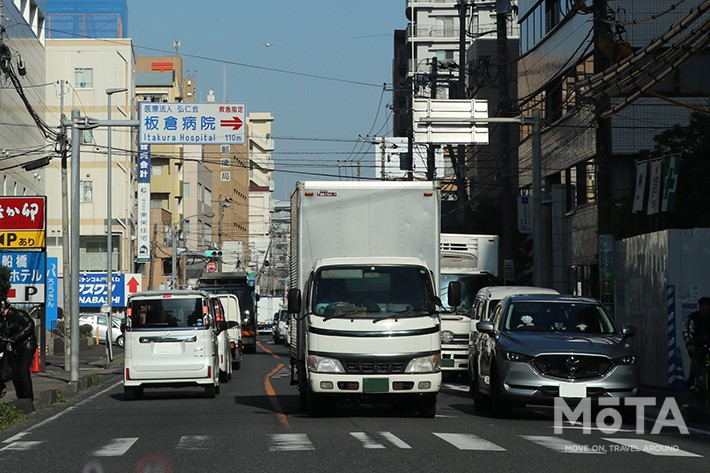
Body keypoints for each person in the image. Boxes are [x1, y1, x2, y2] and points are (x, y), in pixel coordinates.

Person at [0, 297, 38, 401]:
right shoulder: (3, 319)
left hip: (27, 345)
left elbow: (30, 325)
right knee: (15, 373)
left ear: (4, 307)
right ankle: (20, 398)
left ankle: (29, 397)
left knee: (24, 369)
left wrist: (15, 337)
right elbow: (3, 335)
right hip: (15, 348)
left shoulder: (19, 314)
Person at [683, 296, 710, 390]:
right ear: (700, 307)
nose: (705, 310)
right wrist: (689, 344)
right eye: (703, 308)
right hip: (697, 345)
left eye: (707, 308)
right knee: (696, 362)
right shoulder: (693, 318)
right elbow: (687, 332)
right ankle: (692, 378)